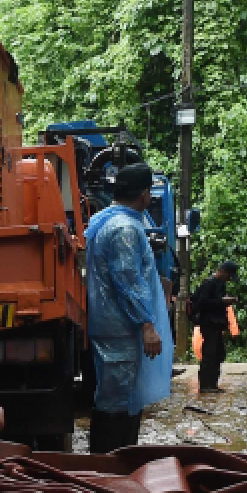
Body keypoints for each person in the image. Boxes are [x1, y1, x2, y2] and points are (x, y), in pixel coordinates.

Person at [83, 161, 172, 453]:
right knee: (118, 401)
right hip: (121, 328)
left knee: (116, 396)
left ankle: (111, 464)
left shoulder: (107, 220)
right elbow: (128, 279)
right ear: (145, 193)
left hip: (112, 325)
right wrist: (146, 324)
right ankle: (113, 466)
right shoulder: (124, 228)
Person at [188, 260, 237, 393]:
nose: (228, 279)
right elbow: (201, 303)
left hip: (218, 323)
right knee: (209, 353)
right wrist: (221, 301)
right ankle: (205, 385)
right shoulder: (209, 284)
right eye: (228, 276)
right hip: (208, 323)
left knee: (218, 354)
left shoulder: (220, 284)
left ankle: (212, 383)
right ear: (222, 272)